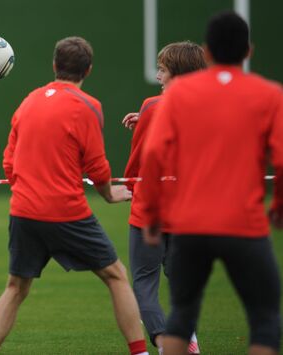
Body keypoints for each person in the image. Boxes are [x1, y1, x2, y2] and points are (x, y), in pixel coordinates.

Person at [0, 36, 149, 355]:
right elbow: (97, 167)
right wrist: (109, 195)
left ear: (55, 65)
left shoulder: (29, 100)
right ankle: (139, 353)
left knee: (15, 288)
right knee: (116, 276)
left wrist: (26, 192)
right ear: (89, 70)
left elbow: (8, 161)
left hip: (24, 212)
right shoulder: (88, 105)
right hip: (66, 212)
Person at [140, 11, 282, 355]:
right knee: (264, 319)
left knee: (181, 316)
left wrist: (152, 215)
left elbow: (154, 156)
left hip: (190, 226)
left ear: (207, 51)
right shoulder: (270, 95)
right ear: (248, 51)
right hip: (244, 225)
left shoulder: (177, 95)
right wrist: (278, 207)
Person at [122, 41, 206, 354]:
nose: (158, 76)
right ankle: (190, 340)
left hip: (151, 211)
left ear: (178, 73)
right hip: (189, 211)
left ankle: (165, 341)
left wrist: (129, 187)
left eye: (163, 70)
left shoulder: (153, 106)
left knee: (144, 284)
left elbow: (138, 159)